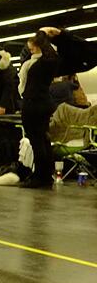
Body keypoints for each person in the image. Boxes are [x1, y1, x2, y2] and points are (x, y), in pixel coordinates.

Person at [19, 28, 97, 188]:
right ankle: (44, 176)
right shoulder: (38, 62)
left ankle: (41, 177)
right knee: (43, 141)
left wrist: (48, 34)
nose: (30, 49)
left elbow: (48, 51)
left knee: (38, 142)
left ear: (40, 46)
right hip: (39, 103)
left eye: (32, 46)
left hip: (34, 105)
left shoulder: (46, 62)